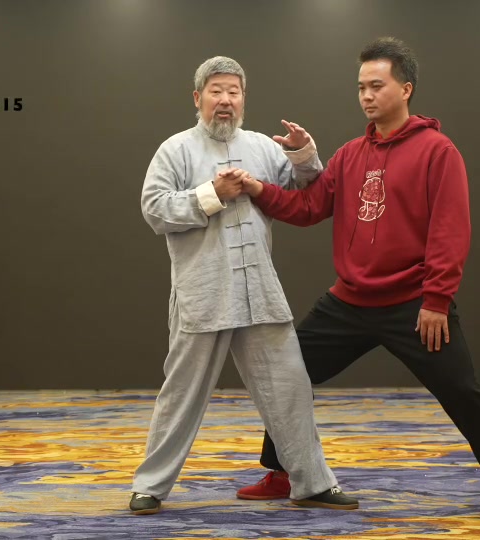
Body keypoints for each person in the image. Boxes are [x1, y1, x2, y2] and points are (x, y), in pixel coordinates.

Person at [235, 37, 480, 528]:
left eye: (377, 86)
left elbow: (450, 231)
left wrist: (436, 300)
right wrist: (258, 189)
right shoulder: (349, 155)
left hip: (414, 304)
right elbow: (308, 207)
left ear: (406, 88)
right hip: (350, 301)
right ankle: (283, 471)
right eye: (361, 87)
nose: (367, 96)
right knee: (289, 374)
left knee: (465, 395)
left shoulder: (438, 151)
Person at [129, 55, 359, 515]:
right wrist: (212, 194)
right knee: (181, 395)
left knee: (291, 387)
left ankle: (312, 482)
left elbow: (308, 192)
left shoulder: (261, 148)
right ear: (198, 98)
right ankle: (149, 486)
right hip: (203, 293)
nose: (225, 100)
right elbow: (154, 209)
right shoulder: (175, 150)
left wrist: (302, 152)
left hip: (260, 290)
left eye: (233, 92)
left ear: (243, 99)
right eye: (216, 91)